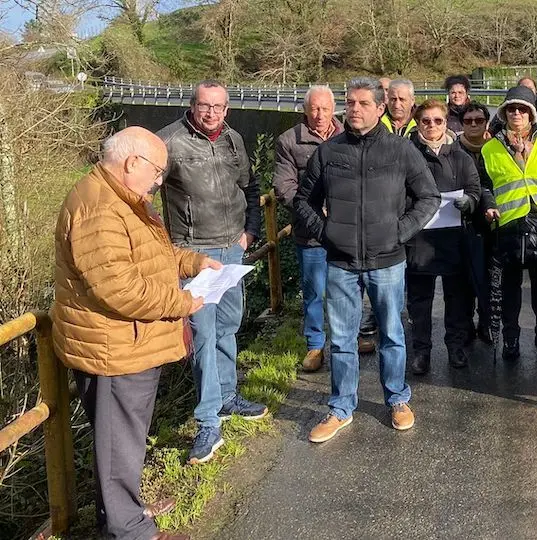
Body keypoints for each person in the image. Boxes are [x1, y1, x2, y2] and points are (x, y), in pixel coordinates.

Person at [53, 127, 220, 540]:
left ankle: (122, 513)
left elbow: (148, 259)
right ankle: (129, 531)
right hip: (114, 348)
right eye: (158, 171)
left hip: (124, 343)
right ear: (132, 163)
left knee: (121, 441)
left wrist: (192, 263)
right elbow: (119, 289)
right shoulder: (101, 210)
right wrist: (181, 303)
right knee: (118, 445)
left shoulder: (119, 199)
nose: (159, 181)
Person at [297, 77, 440, 443]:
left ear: (380, 108)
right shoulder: (329, 152)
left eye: (363, 103)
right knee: (342, 339)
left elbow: (428, 197)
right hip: (340, 262)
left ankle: (397, 398)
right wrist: (327, 232)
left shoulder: (400, 150)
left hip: (388, 260)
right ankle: (341, 408)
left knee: (392, 334)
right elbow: (303, 201)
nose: (354, 109)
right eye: (350, 103)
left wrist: (398, 232)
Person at [157, 80, 267, 466]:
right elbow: (140, 191)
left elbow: (250, 188)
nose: (211, 113)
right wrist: (169, 249)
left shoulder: (234, 140)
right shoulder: (169, 141)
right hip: (194, 253)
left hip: (231, 249)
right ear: (193, 105)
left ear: (227, 110)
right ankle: (207, 421)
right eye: (204, 105)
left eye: (218, 107)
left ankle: (227, 396)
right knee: (203, 334)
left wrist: (249, 232)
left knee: (227, 326)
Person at [479, 85, 537, 360]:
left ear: (531, 114)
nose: (517, 113)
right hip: (509, 223)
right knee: (510, 286)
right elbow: (484, 185)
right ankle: (511, 339)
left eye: (522, 109)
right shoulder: (490, 148)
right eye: (511, 109)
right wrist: (489, 207)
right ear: (504, 113)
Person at [406, 99, 482, 374]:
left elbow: (474, 188)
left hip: (453, 238)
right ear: (417, 123)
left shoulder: (460, 156)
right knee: (419, 301)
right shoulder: (407, 155)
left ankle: (455, 347)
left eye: (438, 120)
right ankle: (421, 352)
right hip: (419, 238)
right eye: (426, 121)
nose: (432, 126)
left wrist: (470, 203)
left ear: (446, 122)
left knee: (456, 298)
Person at [273, 85, 344, 372]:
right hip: (310, 232)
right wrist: (315, 213)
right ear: (305, 110)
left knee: (347, 288)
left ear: (333, 109)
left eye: (325, 109)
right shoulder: (289, 141)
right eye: (314, 108)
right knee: (314, 291)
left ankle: (347, 338)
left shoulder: (347, 136)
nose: (319, 115)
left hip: (344, 229)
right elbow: (284, 186)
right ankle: (315, 345)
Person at [456, 102, 496, 343]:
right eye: (468, 121)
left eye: (478, 121)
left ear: (486, 123)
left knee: (489, 275)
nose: (473, 124)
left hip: (491, 220)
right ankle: (465, 323)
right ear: (461, 124)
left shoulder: (496, 149)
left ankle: (487, 321)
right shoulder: (452, 150)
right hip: (462, 220)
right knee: (464, 277)